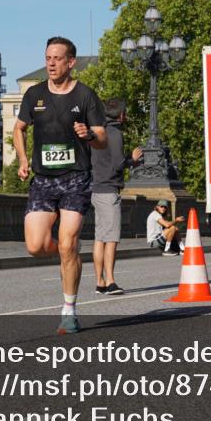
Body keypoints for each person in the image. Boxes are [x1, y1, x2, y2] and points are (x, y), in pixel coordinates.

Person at [14, 36, 106, 335]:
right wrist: (23, 159)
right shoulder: (34, 94)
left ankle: (69, 310)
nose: (51, 63)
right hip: (42, 179)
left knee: (67, 242)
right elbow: (19, 129)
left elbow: (103, 139)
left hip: (76, 178)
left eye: (57, 58)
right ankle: (70, 255)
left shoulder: (85, 96)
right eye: (48, 58)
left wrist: (89, 134)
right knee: (35, 246)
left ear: (70, 62)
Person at [91, 98, 143, 295]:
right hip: (109, 189)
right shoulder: (115, 133)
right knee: (111, 238)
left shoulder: (97, 132)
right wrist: (134, 160)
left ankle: (100, 282)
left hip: (96, 188)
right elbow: (119, 164)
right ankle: (111, 281)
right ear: (120, 115)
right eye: (125, 112)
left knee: (99, 238)